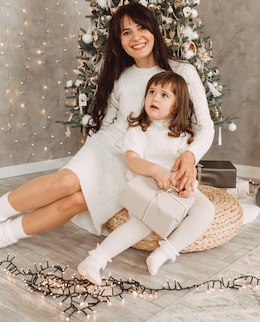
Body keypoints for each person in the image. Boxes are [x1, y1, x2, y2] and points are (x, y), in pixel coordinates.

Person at [0, 2, 215, 262]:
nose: (136, 37)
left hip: (137, 163)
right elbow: (110, 125)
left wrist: (190, 156)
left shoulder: (182, 72)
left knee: (77, 203)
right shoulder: (122, 76)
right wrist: (90, 153)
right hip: (112, 144)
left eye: (141, 28)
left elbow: (206, 125)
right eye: (126, 32)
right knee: (64, 183)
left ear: (153, 29)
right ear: (119, 40)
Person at [77, 71, 215, 284]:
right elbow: (132, 161)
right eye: (151, 92)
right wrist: (155, 170)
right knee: (145, 222)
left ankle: (165, 252)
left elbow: (186, 168)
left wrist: (187, 185)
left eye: (164, 95)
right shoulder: (139, 129)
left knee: (205, 209)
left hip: (173, 190)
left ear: (177, 106)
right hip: (147, 187)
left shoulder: (185, 135)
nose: (155, 98)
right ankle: (95, 260)